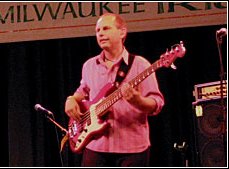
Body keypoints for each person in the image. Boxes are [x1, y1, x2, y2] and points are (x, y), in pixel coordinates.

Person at [64, 13, 165, 167]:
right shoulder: (89, 65)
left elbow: (156, 103)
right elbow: (82, 91)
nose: (101, 33)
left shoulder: (140, 64)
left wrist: (138, 101)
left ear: (122, 32)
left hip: (132, 148)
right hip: (96, 146)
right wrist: (71, 99)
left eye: (106, 28)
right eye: (98, 30)